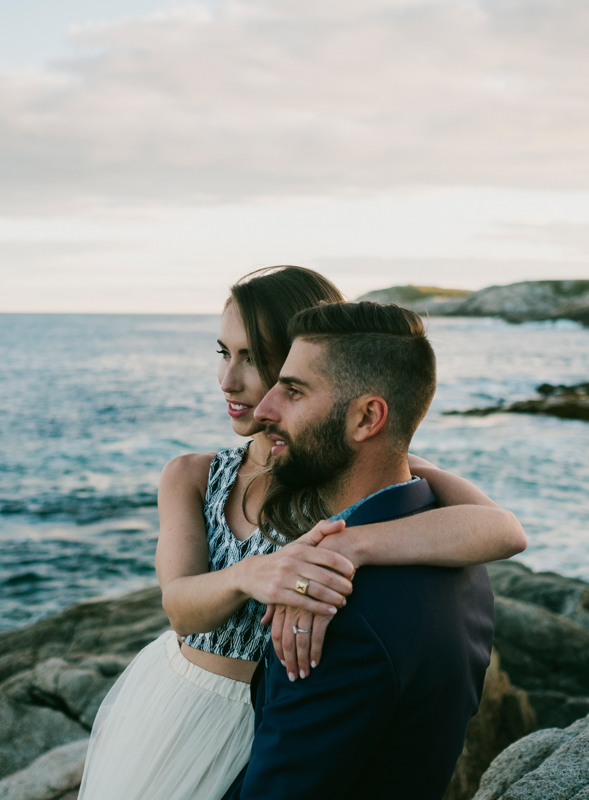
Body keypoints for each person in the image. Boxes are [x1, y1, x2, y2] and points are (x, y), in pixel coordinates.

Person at [78, 268, 525, 800]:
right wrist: (254, 575)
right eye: (224, 353)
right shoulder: (193, 475)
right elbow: (179, 605)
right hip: (178, 704)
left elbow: (502, 530)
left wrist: (347, 546)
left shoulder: (345, 469)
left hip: (279, 721)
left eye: (255, 359)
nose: (230, 380)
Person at [223, 300, 495, 800]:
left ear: (367, 417)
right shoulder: (453, 549)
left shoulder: (325, 610)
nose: (264, 410)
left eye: (293, 390)